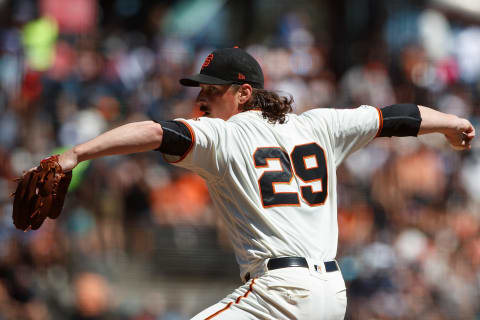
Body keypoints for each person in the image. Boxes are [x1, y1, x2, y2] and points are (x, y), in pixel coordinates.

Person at [57, 48, 475, 319]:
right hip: (332, 294)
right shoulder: (320, 124)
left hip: (281, 294)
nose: (201, 100)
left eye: (212, 91)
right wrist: (451, 123)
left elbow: (154, 132)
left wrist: (77, 153)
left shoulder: (225, 135)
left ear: (243, 93)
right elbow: (398, 117)